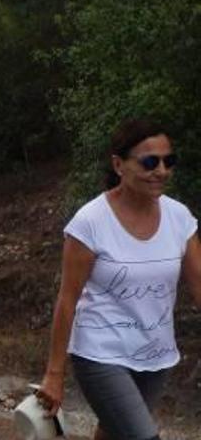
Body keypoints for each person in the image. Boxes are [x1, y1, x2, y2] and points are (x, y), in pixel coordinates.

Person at [37, 120, 201, 440]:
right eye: (150, 162)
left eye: (169, 161)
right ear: (118, 165)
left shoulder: (179, 217)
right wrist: (54, 374)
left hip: (157, 355)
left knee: (113, 433)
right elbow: (67, 299)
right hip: (100, 353)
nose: (162, 170)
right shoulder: (90, 222)